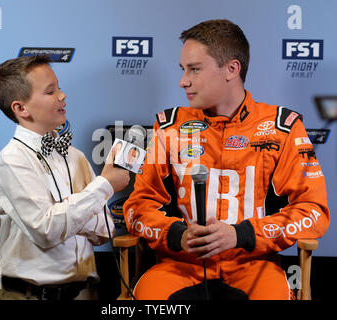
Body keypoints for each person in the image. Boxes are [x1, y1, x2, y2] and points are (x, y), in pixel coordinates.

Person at [123, 19, 330, 300]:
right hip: (181, 265)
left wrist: (241, 234)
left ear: (232, 69)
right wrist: (176, 235)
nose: (183, 81)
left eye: (194, 69)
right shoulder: (169, 126)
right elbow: (138, 207)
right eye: (184, 70)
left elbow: (314, 211)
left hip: (253, 264)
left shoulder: (282, 126)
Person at [0, 55, 129, 300]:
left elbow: (105, 229)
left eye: (59, 87)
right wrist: (103, 186)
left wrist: (66, 215)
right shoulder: (13, 159)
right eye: (50, 91)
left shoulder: (76, 156)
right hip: (27, 295)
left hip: (84, 291)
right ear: (21, 108)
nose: (62, 96)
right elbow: (46, 230)